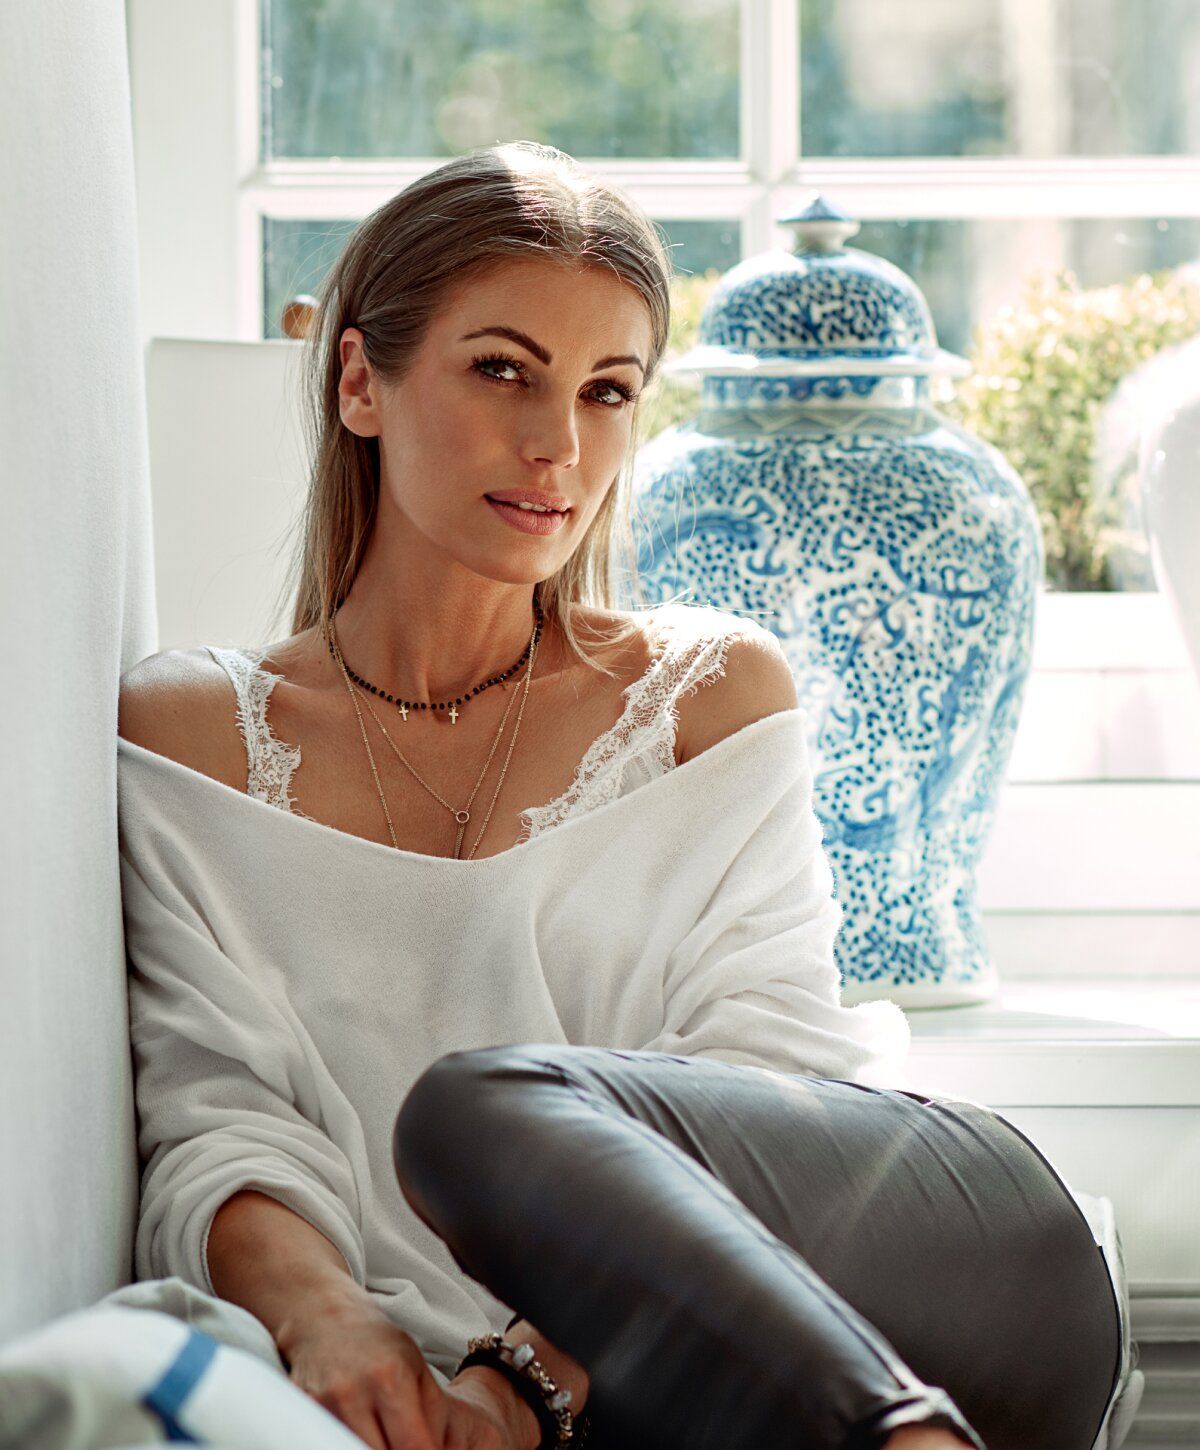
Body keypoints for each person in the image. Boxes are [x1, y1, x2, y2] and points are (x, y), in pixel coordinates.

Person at [117, 141, 1125, 1450]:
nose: (559, 445)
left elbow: (767, 1087)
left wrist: (519, 1388)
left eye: (608, 391)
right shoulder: (192, 736)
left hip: (923, 1269)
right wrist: (334, 1319)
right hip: (693, 1409)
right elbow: (216, 1115)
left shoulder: (708, 699)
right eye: (503, 370)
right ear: (360, 379)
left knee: (478, 1113)